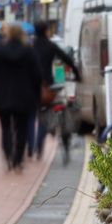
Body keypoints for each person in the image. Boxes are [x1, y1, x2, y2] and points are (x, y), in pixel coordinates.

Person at [0, 24, 42, 171]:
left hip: (2, 95)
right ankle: (18, 158)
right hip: (24, 96)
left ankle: (8, 156)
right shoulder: (29, 52)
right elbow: (37, 75)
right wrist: (36, 94)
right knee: (22, 128)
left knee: (5, 128)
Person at [31, 20, 81, 159]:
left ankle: (35, 146)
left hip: (33, 85)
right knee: (51, 112)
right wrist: (77, 74)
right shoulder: (50, 45)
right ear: (46, 31)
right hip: (49, 86)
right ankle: (49, 141)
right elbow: (67, 59)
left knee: (36, 115)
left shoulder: (31, 46)